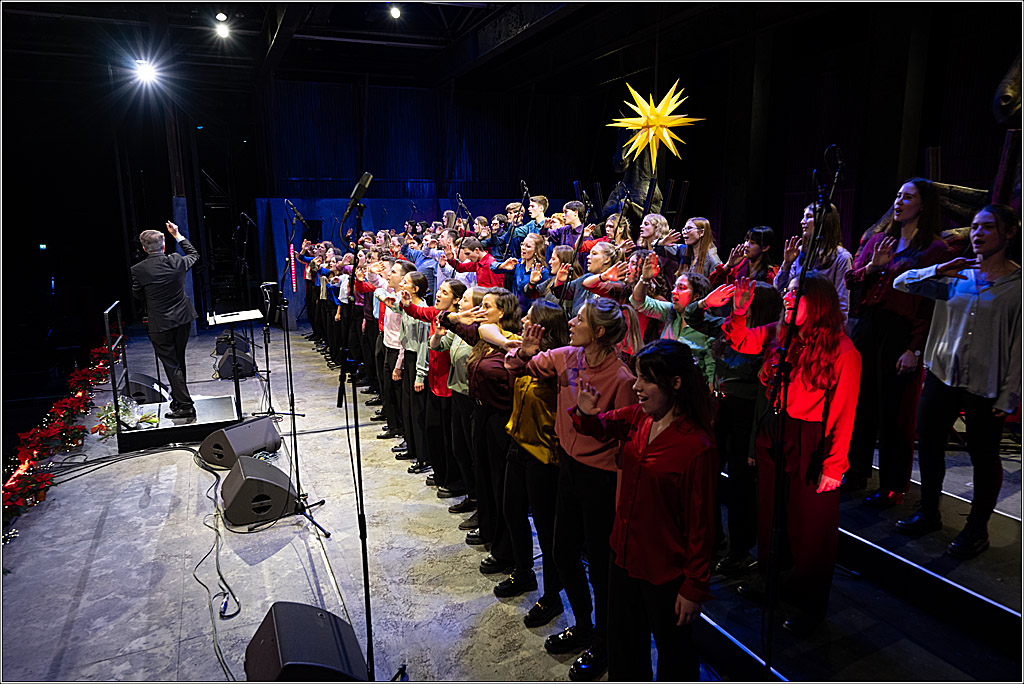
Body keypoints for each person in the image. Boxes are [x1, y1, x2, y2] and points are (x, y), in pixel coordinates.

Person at [505, 298, 640, 682]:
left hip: (602, 480)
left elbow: (625, 442)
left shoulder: (622, 379)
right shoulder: (567, 356)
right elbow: (522, 365)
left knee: (600, 566)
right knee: (562, 552)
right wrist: (524, 352)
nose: (572, 321)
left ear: (598, 332)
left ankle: (605, 642)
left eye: (580, 319)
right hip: (569, 470)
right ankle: (584, 625)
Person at [572, 339, 717, 682]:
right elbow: (601, 426)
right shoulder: (641, 417)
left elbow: (702, 526)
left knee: (675, 656)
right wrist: (585, 412)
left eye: (645, 380)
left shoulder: (697, 446)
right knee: (624, 646)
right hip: (623, 555)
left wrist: (694, 587)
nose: (635, 387)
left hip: (665, 570)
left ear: (675, 383)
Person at [724, 274, 861, 635]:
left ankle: (808, 604)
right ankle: (771, 581)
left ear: (817, 302)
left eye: (796, 293)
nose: (787, 297)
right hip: (776, 429)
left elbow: (844, 414)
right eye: (787, 291)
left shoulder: (843, 350)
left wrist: (833, 465)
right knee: (772, 514)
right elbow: (742, 341)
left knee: (809, 527)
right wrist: (739, 312)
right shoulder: (780, 335)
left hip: (810, 438)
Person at [893, 204, 1021, 559]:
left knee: (984, 457)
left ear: (1008, 233)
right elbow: (899, 282)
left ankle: (976, 529)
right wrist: (938, 268)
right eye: (975, 227)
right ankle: (929, 512)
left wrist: (1010, 395)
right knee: (931, 448)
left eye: (988, 227)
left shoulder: (1017, 286)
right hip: (942, 375)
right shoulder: (956, 275)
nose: (978, 234)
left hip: (985, 384)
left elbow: (1019, 347)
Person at [843, 179, 952, 504]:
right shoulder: (879, 239)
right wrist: (873, 267)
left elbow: (931, 305)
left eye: (908, 196)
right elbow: (851, 280)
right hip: (869, 327)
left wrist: (915, 347)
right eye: (898, 195)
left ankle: (893, 484)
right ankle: (856, 471)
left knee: (895, 412)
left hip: (902, 332)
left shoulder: (935, 249)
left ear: (924, 204)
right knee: (862, 406)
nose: (899, 201)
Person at [687, 282, 782, 573]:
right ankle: (713, 541)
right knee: (709, 478)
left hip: (744, 415)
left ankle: (740, 550)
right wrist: (705, 302)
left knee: (741, 488)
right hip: (719, 409)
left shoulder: (766, 339)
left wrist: (754, 442)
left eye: (746, 300)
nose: (738, 302)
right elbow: (692, 317)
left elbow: (762, 402)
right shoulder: (729, 326)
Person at [130, 222, 200, 420]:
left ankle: (185, 405)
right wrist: (177, 235)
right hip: (183, 319)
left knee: (171, 364)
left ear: (144, 248)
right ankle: (180, 399)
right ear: (163, 246)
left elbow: (137, 295)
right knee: (178, 361)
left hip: (160, 324)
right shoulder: (177, 261)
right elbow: (193, 254)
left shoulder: (139, 269)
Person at [630, 253, 715, 385]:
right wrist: (644, 279)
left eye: (681, 288)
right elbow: (638, 302)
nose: (674, 291)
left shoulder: (708, 325)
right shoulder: (670, 311)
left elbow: (711, 367)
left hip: (690, 387)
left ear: (696, 296)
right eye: (674, 287)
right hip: (663, 382)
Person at [774, 203, 853, 322]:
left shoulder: (841, 257)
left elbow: (841, 304)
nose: (802, 221)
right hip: (796, 321)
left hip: (821, 324)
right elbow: (779, 288)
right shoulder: (800, 252)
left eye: (808, 216)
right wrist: (786, 264)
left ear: (823, 222)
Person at [711, 225, 779, 286]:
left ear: (765, 248)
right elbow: (711, 283)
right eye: (746, 240)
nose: (746, 245)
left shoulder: (770, 274)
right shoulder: (738, 266)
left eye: (752, 243)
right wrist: (728, 265)